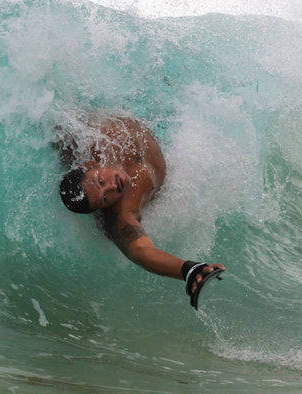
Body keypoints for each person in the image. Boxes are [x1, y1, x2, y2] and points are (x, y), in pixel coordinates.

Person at [57, 113, 225, 309]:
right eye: (104, 199)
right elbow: (141, 251)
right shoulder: (121, 211)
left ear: (90, 165)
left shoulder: (95, 141)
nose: (112, 188)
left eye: (101, 181)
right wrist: (189, 270)